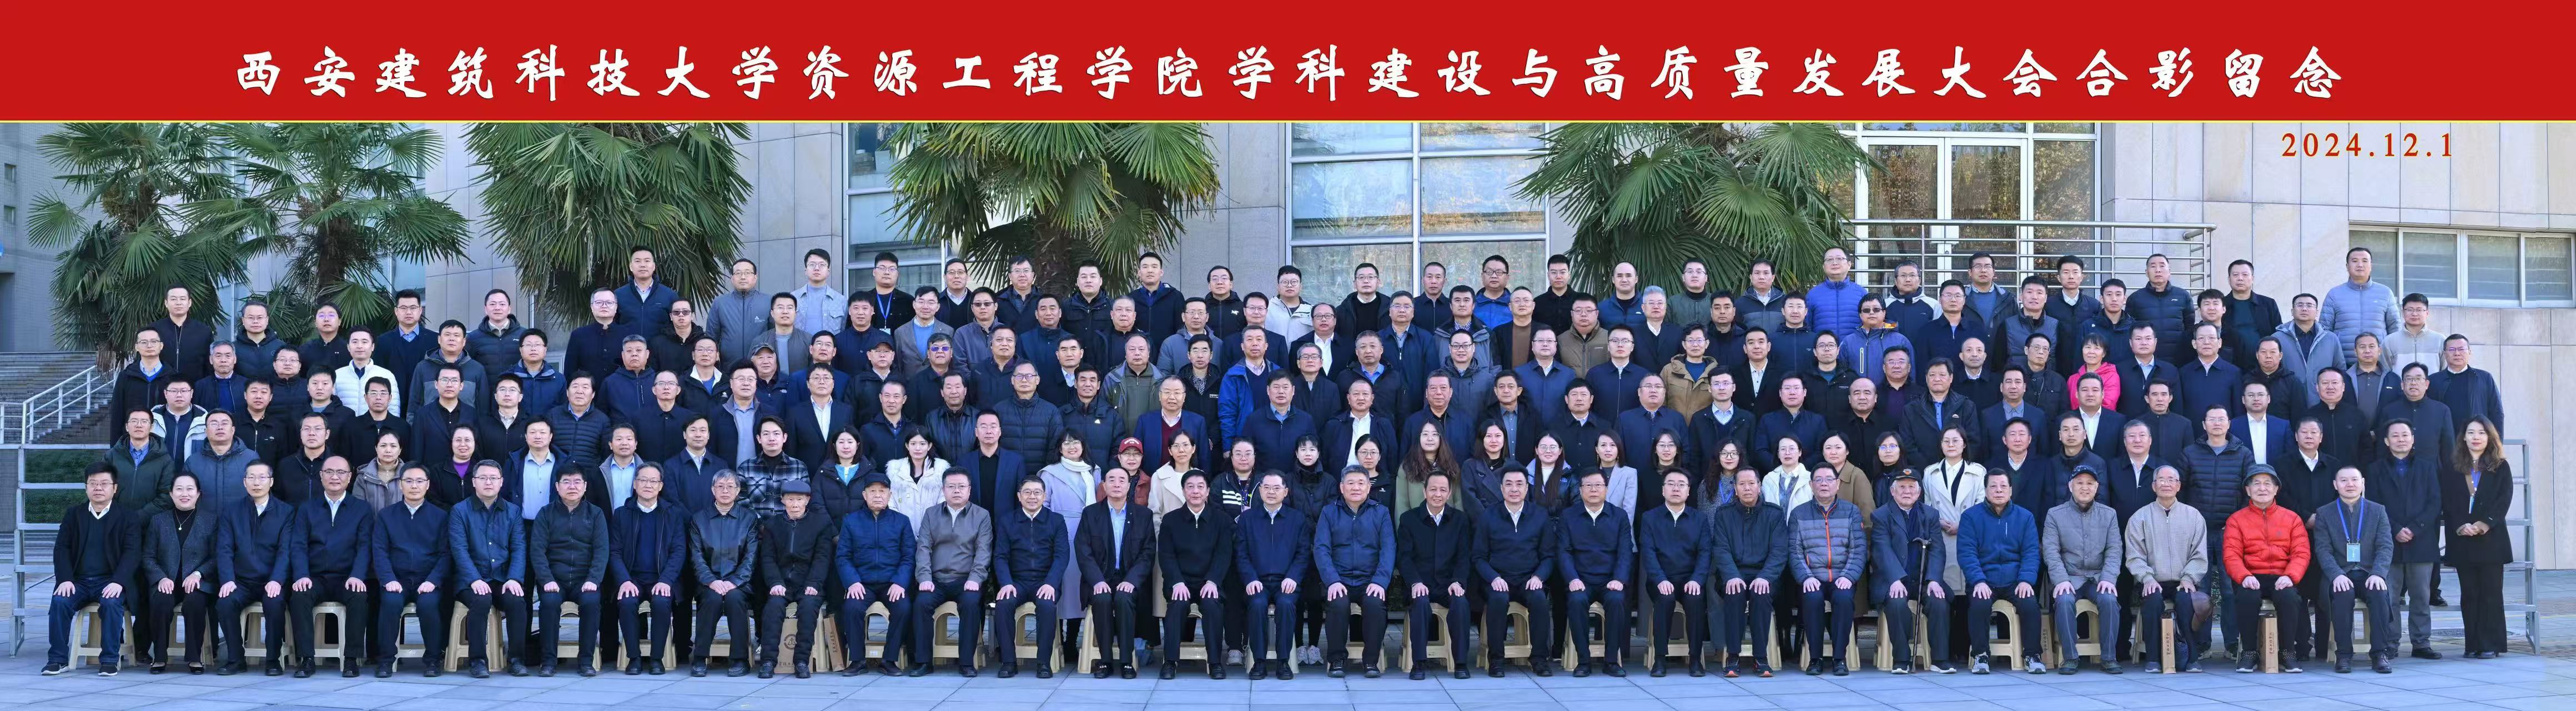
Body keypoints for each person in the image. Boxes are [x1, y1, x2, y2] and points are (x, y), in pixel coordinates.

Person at [44, 464, 143, 677]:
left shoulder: (128, 516)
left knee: (111, 603)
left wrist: (119, 581)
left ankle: (109, 660)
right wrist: (65, 579)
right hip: (78, 581)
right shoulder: (74, 514)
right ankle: (57, 659)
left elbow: (132, 553)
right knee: (60, 601)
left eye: (104, 483)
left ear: (115, 488)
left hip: (110, 581)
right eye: (93, 483)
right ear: (86, 487)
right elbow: (62, 548)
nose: (98, 488)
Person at [287, 457, 376, 678]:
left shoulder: (362, 509)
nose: (335, 477)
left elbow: (365, 546)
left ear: (350, 477)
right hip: (315, 577)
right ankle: (307, 659)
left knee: (359, 596)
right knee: (299, 596)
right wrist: (302, 575)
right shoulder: (307, 508)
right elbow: (298, 545)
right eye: (329, 472)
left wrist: (357, 575)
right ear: (321, 476)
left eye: (341, 472)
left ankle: (351, 659)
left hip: (347, 577)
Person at [2364, 419, 2441, 660]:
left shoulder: (2427, 467)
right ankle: (2390, 643)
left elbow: (2435, 503)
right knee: (2389, 597)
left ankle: (2421, 643)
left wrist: (2415, 529)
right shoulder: (2375, 469)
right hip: (2388, 541)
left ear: (2413, 439)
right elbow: (2373, 504)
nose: (2401, 440)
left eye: (2405, 435)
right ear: (2387, 441)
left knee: (2421, 596)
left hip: (2422, 540)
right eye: (2395, 436)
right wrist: (2396, 528)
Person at [2222, 467, 2309, 673]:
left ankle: (2288, 652)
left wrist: (2290, 576)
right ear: (2248, 490)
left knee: (2289, 597)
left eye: (2268, 484)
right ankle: (2249, 652)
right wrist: (2244, 576)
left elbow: (2302, 553)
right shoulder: (2236, 520)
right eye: (2257, 484)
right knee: (2247, 597)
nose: (2263, 488)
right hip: (2251, 575)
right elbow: (2231, 554)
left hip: (2281, 576)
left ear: (2276, 489)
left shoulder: (2292, 519)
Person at [905, 470, 990, 677]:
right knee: (921, 604)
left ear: (970, 490)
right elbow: (923, 548)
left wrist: (975, 579)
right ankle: (924, 662)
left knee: (971, 604)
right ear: (943, 490)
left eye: (962, 486)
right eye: (951, 487)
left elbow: (984, 551)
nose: (956, 491)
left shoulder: (981, 515)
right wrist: (924, 578)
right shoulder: (932, 514)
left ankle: (966, 663)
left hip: (966, 580)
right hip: (936, 580)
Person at [446, 460, 526, 678]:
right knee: (481, 600)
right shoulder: (460, 511)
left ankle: (517, 660)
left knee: (517, 601)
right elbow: (459, 550)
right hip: (470, 580)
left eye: (493, 478)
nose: (488, 482)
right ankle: (478, 661)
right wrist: (474, 579)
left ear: (501, 482)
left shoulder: (513, 511)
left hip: (502, 578)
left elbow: (519, 548)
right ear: (474, 482)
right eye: (483, 478)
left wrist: (514, 578)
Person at [2311, 465, 2395, 674]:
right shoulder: (2324, 513)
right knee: (2343, 594)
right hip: (2341, 573)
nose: (2350, 484)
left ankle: (2380, 654)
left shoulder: (2378, 510)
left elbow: (2385, 546)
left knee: (2379, 593)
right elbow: (2323, 549)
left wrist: (2378, 573)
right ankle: (2344, 655)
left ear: (2363, 483)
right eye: (2344, 480)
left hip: (2369, 573)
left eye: (2355, 480)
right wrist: (2336, 574)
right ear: (2335, 485)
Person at [1958, 470, 2043, 675]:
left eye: (2003, 486)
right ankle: (1981, 655)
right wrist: (1978, 581)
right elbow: (1967, 553)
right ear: (1985, 490)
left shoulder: (2025, 517)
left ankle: (2032, 655)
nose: (1999, 491)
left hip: (2016, 580)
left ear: (2011, 490)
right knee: (1979, 604)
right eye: (1993, 486)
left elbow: (2032, 552)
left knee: (2030, 604)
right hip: (1985, 580)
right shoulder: (1971, 517)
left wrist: (2026, 580)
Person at [528, 467, 611, 677]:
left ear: (585, 487)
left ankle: (586, 661)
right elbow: (537, 550)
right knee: (549, 603)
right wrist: (546, 579)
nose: (572, 487)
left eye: (577, 482)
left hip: (585, 580)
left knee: (591, 602)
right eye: (566, 482)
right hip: (554, 580)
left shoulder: (596, 514)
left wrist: (594, 579)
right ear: (557, 487)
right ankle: (548, 662)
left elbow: (602, 551)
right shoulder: (546, 513)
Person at [2041, 465, 2124, 674]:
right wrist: (2061, 580)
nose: (2085, 488)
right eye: (2079, 483)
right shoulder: (2055, 515)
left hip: (2098, 578)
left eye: (2090, 483)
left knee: (2109, 600)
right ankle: (2070, 658)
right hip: (2069, 578)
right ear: (2070, 486)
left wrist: (2108, 578)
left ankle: (2109, 657)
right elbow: (2051, 551)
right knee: (2064, 600)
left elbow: (2114, 549)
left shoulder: (2109, 515)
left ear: (2097, 487)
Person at [2444, 417, 2514, 659]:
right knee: (2470, 594)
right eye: (2471, 432)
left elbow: (2504, 499)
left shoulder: (2500, 466)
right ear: (2463, 437)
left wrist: (2485, 524)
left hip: (2491, 540)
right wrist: (2460, 525)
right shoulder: (2453, 467)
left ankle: (2491, 644)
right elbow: (2448, 501)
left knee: (2491, 594)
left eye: (2482, 433)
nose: (2476, 437)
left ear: (2490, 437)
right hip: (2463, 539)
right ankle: (2473, 644)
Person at [1870, 468, 1952, 674]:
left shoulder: (1930, 515)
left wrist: (1934, 580)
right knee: (1897, 603)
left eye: (1911, 487)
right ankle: (1902, 659)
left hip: (1923, 578)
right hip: (1894, 579)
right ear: (1893, 491)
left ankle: (1940, 659)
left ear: (1919, 492)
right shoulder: (1881, 515)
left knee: (1939, 600)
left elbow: (1938, 550)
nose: (1907, 491)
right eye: (1902, 487)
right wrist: (1895, 579)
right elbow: (1882, 550)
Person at [831, 472, 913, 676]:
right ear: (865, 495)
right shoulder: (851, 521)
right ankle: (858, 660)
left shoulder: (902, 521)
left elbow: (909, 557)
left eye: (882, 491)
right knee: (851, 607)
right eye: (873, 491)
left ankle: (889, 660)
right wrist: (852, 582)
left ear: (890, 495)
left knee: (903, 607)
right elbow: (843, 557)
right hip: (862, 582)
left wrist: (900, 582)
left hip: (891, 583)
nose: (878, 495)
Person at [607, 463, 685, 676]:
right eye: (643, 480)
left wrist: (667, 580)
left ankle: (657, 659)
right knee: (626, 602)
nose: (648, 485)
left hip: (662, 578)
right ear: (635, 485)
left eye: (653, 481)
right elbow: (614, 552)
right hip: (632, 578)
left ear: (661, 486)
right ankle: (634, 658)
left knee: (661, 602)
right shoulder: (622, 514)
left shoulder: (672, 514)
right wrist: (624, 581)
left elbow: (679, 551)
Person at [1077, 467, 1155, 678]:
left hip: (1129, 579)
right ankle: (1105, 661)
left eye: (1122, 480)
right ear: (1104, 485)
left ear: (1129, 486)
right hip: (1100, 578)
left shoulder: (1143, 515)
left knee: (1124, 598)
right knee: (1102, 598)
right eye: (1112, 480)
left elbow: (1148, 554)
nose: (1117, 484)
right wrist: (1097, 580)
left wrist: (1132, 580)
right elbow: (1083, 552)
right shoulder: (1091, 514)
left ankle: (1127, 661)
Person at [1159, 469, 1236, 679]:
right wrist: (1177, 582)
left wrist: (1213, 581)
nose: (1195, 491)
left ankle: (1215, 662)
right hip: (1181, 582)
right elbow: (1166, 555)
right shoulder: (1171, 520)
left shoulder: (1221, 520)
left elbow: (1224, 554)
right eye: (1190, 487)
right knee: (1177, 605)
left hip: (1209, 581)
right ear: (1183, 491)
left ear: (1208, 491)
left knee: (1212, 605)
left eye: (1200, 487)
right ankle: (1170, 662)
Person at [1788, 467, 1864, 676]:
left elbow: (1858, 549)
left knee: (1843, 599)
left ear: (1837, 484)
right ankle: (1816, 659)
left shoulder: (1851, 512)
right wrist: (1806, 577)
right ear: (1811, 485)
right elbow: (1795, 551)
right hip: (1813, 577)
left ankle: (1839, 659)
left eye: (1829, 479)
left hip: (1842, 577)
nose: (1824, 484)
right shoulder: (1799, 514)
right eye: (1819, 480)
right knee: (1812, 600)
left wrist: (1848, 576)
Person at [1557, 468, 1633, 677]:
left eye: (1598, 485)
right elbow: (1563, 552)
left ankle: (1611, 662)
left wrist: (1619, 579)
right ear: (1581, 490)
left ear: (1606, 489)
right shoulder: (1569, 516)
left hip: (1610, 580)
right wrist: (1572, 578)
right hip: (1581, 579)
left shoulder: (1619, 516)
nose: (1593, 490)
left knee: (1617, 600)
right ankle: (1584, 661)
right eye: (1588, 486)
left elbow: (1625, 551)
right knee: (1576, 601)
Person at [140, 471, 217, 674]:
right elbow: (148, 556)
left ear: (198, 494)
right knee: (161, 601)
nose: (185, 494)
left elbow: (217, 557)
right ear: (171, 494)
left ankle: (194, 657)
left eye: (190, 489)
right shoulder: (158, 521)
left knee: (195, 603)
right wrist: (161, 577)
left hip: (198, 583)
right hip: (167, 581)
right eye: (179, 489)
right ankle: (159, 657)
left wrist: (199, 574)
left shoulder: (211, 520)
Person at [688, 470, 761, 677]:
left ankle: (739, 659)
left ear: (738, 491)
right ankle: (700, 657)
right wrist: (711, 581)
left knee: (734, 599)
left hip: (739, 583)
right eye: (720, 486)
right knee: (711, 600)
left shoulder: (749, 519)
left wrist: (735, 581)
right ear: (713, 490)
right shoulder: (699, 519)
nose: (725, 491)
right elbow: (696, 556)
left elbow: (751, 556)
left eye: (730, 487)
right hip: (709, 583)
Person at [1638, 469, 1709, 677]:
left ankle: (1695, 659)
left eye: (1681, 485)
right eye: (1671, 484)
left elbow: (1705, 553)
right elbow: (1648, 553)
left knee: (1696, 600)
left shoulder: (1699, 519)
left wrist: (1697, 580)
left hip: (1690, 579)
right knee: (1665, 599)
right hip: (1661, 579)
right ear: (1663, 490)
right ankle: (1660, 659)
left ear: (1688, 491)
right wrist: (1660, 579)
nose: (1676, 488)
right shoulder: (1650, 518)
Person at [2318, 247, 2398, 364]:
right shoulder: (2334, 294)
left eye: (2365, 261)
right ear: (2347, 266)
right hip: (2343, 362)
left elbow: (2395, 327)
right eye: (2355, 261)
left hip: (2379, 363)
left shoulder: (2385, 293)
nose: (2360, 265)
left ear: (2371, 266)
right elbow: (2325, 330)